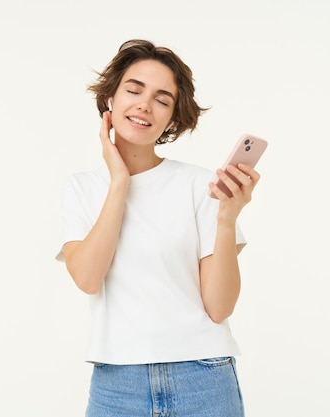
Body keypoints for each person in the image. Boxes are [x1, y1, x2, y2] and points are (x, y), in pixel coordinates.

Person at [56, 39, 260, 417]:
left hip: (204, 378)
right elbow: (87, 277)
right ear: (110, 100)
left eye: (163, 100)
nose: (145, 105)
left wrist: (227, 219)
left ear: (173, 119)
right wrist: (119, 181)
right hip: (117, 385)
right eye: (133, 90)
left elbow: (219, 307)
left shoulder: (201, 186)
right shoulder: (82, 188)